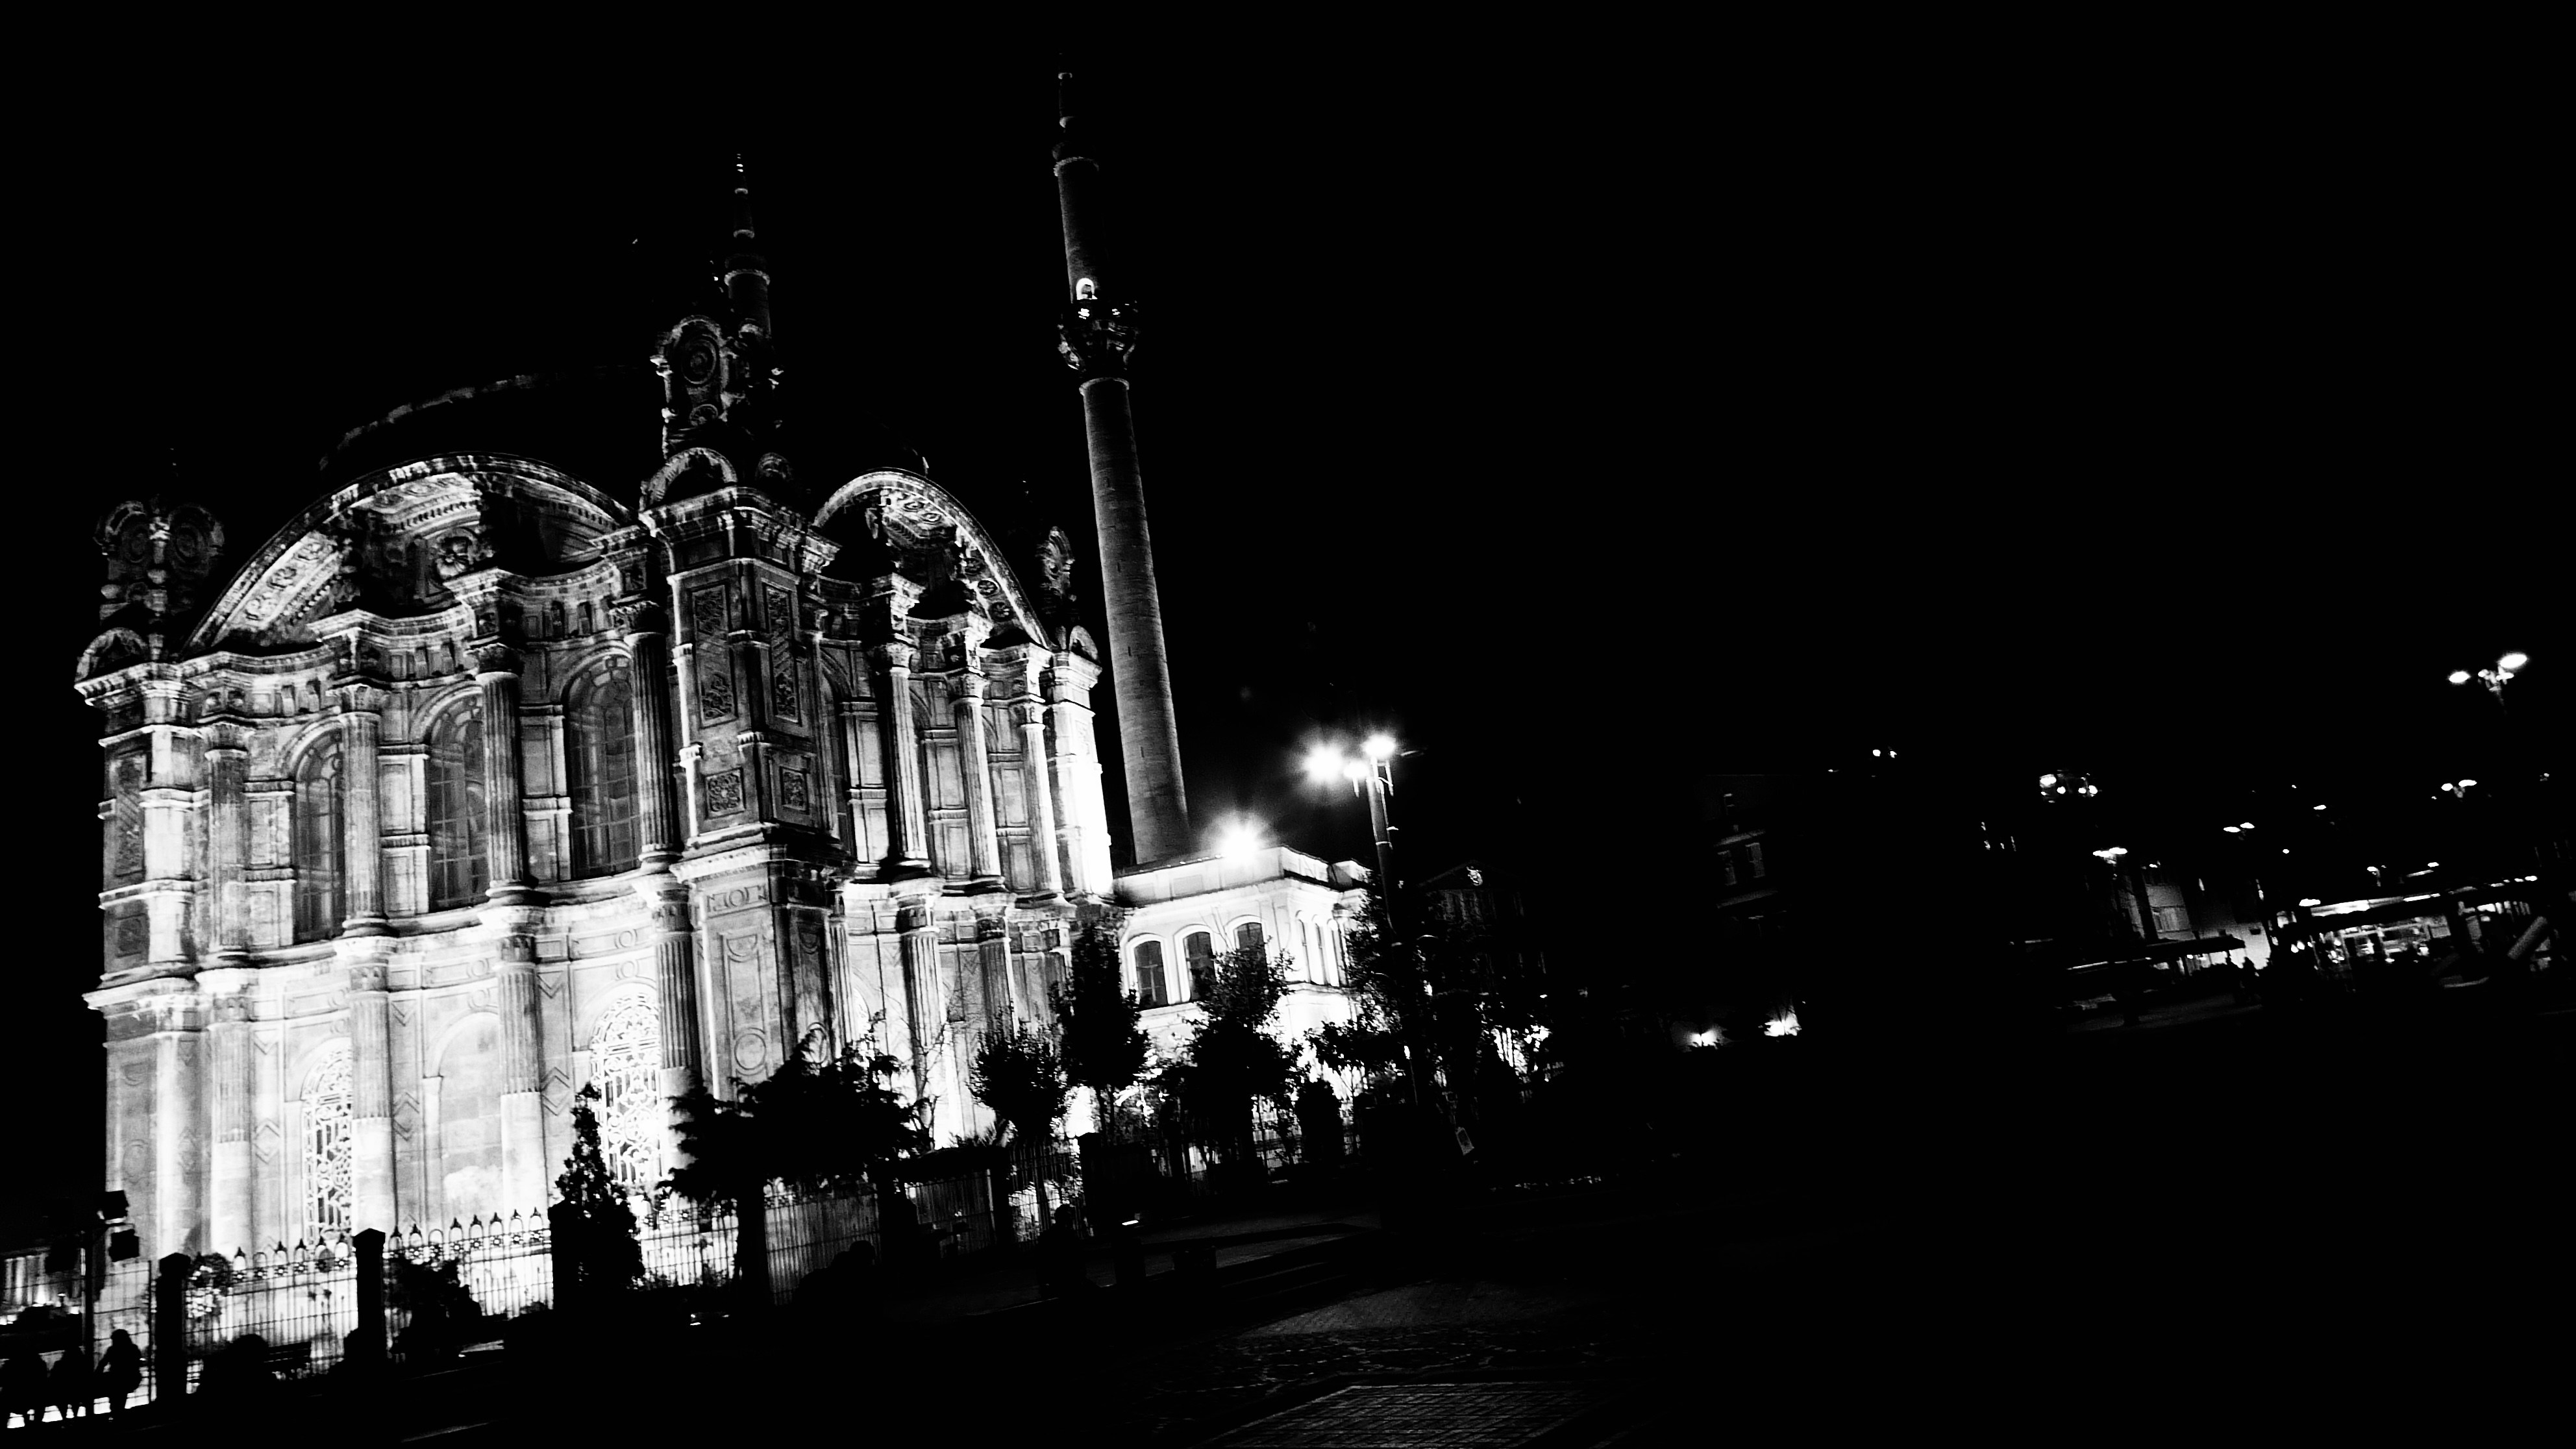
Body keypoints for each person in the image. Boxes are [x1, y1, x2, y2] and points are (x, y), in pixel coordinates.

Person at [99, 1328, 143, 1418]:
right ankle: (118, 1413)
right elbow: (138, 1362)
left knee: (116, 1394)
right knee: (121, 1396)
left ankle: (116, 1412)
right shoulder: (133, 1348)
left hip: (117, 1378)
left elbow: (103, 1363)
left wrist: (97, 1375)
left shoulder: (112, 1350)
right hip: (130, 1378)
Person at [2, 1348, 48, 1429]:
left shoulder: (10, 1366)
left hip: (13, 1399)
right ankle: (37, 1424)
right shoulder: (39, 1365)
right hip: (35, 1398)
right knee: (41, 1397)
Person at [49, 1343, 93, 1422]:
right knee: (77, 1396)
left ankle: (65, 1419)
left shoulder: (60, 1365)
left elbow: (53, 1379)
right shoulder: (84, 1364)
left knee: (62, 1397)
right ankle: (77, 1418)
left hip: (64, 1393)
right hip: (81, 1391)